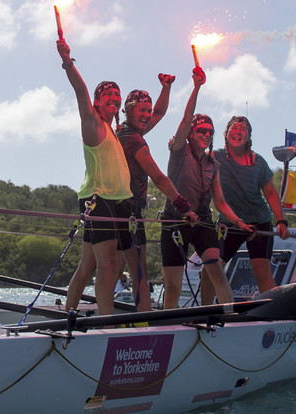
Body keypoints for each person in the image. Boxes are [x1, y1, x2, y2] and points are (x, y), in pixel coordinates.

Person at [159, 67, 253, 309]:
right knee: (173, 287)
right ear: (191, 133)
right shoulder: (179, 151)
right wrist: (197, 87)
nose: (207, 135)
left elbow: (219, 202)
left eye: (210, 133)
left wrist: (238, 222)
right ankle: (169, 329)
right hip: (175, 222)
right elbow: (184, 119)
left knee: (216, 271)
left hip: (202, 222)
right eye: (201, 131)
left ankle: (227, 318)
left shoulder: (213, 164)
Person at [57, 39, 130, 316]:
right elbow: (80, 90)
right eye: (107, 94)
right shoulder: (93, 124)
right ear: (97, 101)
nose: (114, 97)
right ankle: (106, 323)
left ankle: (68, 314)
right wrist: (67, 62)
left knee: (87, 266)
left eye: (117, 95)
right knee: (108, 265)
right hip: (99, 201)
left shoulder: (113, 132)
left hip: (112, 202)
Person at [115, 81, 199, 312]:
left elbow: (160, 112)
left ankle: (109, 314)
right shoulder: (134, 139)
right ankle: (144, 321)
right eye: (141, 110)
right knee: (139, 271)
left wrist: (167, 87)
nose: (147, 115)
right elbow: (159, 178)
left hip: (120, 208)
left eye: (148, 110)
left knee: (109, 268)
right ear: (128, 110)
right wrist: (183, 206)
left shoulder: (125, 130)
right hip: (128, 211)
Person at [210, 115, 290, 297]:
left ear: (248, 137)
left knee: (261, 271)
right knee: (213, 267)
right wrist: (175, 144)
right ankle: (214, 309)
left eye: (243, 131)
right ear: (226, 134)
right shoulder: (215, 157)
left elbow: (270, 192)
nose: (238, 133)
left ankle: (275, 311)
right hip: (230, 222)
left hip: (258, 220)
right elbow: (194, 155)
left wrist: (281, 221)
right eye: (234, 129)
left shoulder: (258, 162)